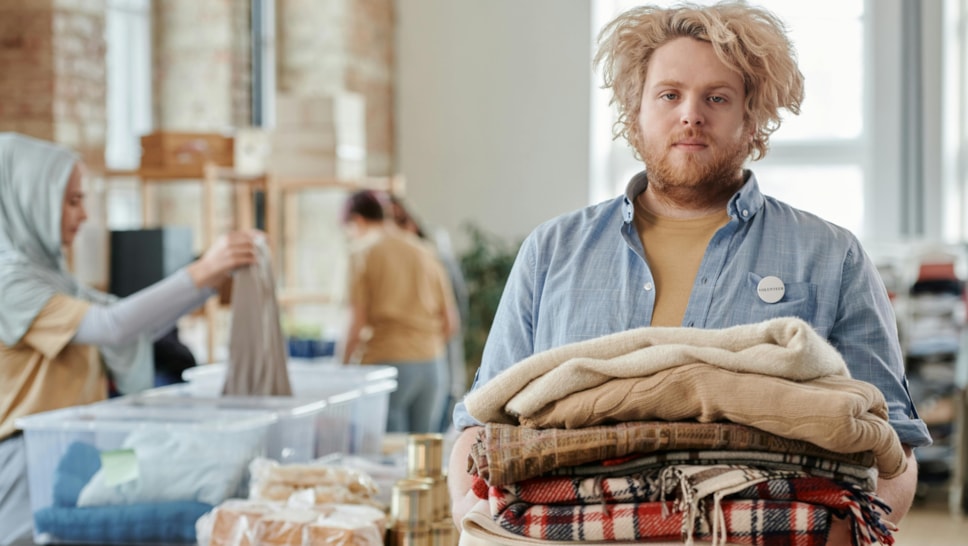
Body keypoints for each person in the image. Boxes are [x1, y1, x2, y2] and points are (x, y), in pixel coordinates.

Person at [448, 3, 932, 544]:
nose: (691, 114)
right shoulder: (552, 251)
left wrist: (858, 529)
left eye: (717, 97)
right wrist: (479, 523)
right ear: (636, 111)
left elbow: (892, 442)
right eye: (669, 94)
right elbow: (481, 427)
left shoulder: (831, 256)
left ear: (752, 118)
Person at [0, 132, 259, 544]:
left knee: (134, 519)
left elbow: (132, 327)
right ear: (26, 199)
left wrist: (209, 283)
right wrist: (199, 272)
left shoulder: (54, 277)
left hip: (85, 446)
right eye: (71, 201)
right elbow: (111, 327)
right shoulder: (10, 282)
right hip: (32, 458)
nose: (84, 215)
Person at [340, 190, 459, 434]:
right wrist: (422, 346)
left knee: (387, 457)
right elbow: (450, 322)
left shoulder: (362, 252)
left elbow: (356, 324)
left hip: (386, 366)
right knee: (423, 456)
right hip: (432, 367)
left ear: (357, 220)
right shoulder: (425, 251)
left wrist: (340, 371)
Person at [387, 195, 470, 433]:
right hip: (428, 360)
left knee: (428, 438)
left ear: (411, 223)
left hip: (435, 359)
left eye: (398, 221)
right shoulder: (398, 258)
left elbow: (453, 318)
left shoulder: (434, 256)